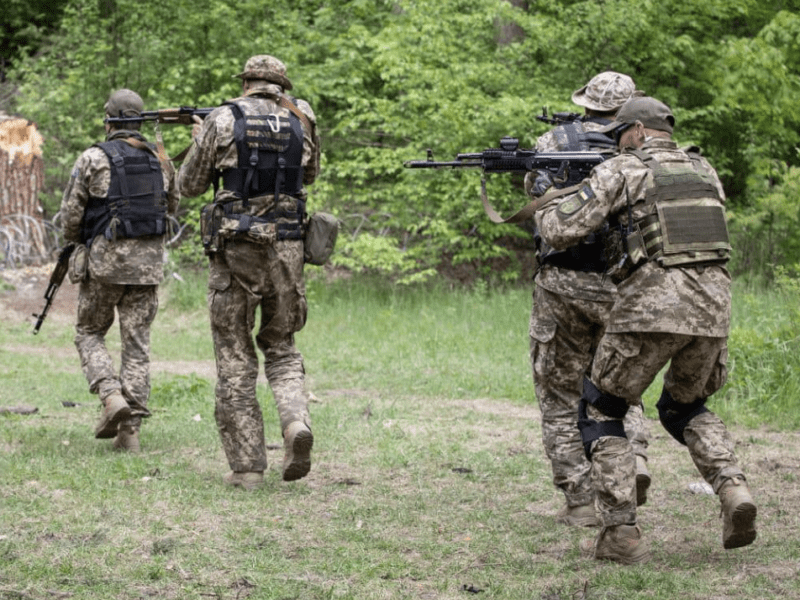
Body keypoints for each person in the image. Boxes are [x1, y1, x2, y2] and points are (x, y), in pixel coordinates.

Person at [533, 96, 757, 564]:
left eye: (619, 135)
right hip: (714, 309)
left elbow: (558, 229)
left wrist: (548, 198)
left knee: (603, 409)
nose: (615, 143)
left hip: (652, 306)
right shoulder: (704, 169)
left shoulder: (624, 170)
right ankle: (733, 487)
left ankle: (620, 534)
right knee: (684, 407)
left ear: (636, 130)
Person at [178, 55, 321, 490]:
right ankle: (295, 422)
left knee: (236, 359)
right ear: (280, 84)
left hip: (235, 252)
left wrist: (200, 140)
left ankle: (247, 469)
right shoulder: (303, 117)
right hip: (289, 249)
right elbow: (310, 175)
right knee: (282, 347)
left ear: (247, 83)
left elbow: (188, 186)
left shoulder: (223, 118)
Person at [523, 72, 651, 527]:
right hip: (621, 285)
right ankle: (633, 459)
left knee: (559, 394)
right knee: (618, 387)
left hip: (562, 284)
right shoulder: (641, 144)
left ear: (586, 103)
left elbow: (536, 198)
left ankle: (579, 500)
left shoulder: (554, 140)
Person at [60, 88, 180, 452]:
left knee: (88, 332)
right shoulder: (161, 159)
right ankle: (130, 433)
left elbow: (70, 217)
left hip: (105, 265)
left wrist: (78, 242)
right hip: (148, 269)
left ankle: (111, 395)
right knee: (137, 346)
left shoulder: (93, 158)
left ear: (109, 119)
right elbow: (172, 206)